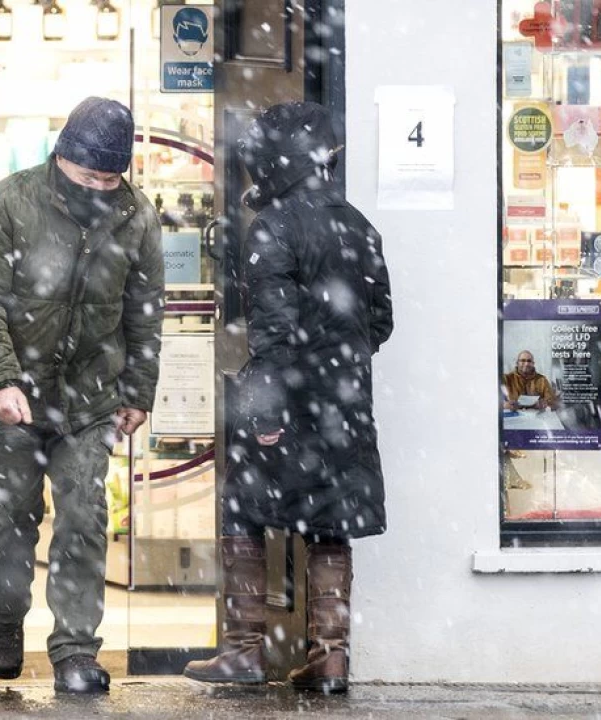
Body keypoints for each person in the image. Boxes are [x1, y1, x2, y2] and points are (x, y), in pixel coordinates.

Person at [183, 101, 394, 694]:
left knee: (241, 513)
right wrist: (338, 362)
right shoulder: (359, 226)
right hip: (345, 406)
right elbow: (380, 321)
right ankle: (330, 659)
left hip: (285, 400)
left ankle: (244, 652)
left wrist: (271, 410)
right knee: (331, 527)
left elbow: (271, 333)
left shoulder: (272, 228)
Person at [0, 96, 164, 694]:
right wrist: (1, 379)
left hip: (90, 397)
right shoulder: (9, 203)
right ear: (61, 157)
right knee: (5, 526)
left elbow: (145, 312)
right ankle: (4, 612)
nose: (99, 187)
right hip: (9, 400)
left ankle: (75, 650)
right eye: (87, 175)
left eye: (110, 176)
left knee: (83, 520)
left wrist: (138, 391)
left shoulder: (136, 216)